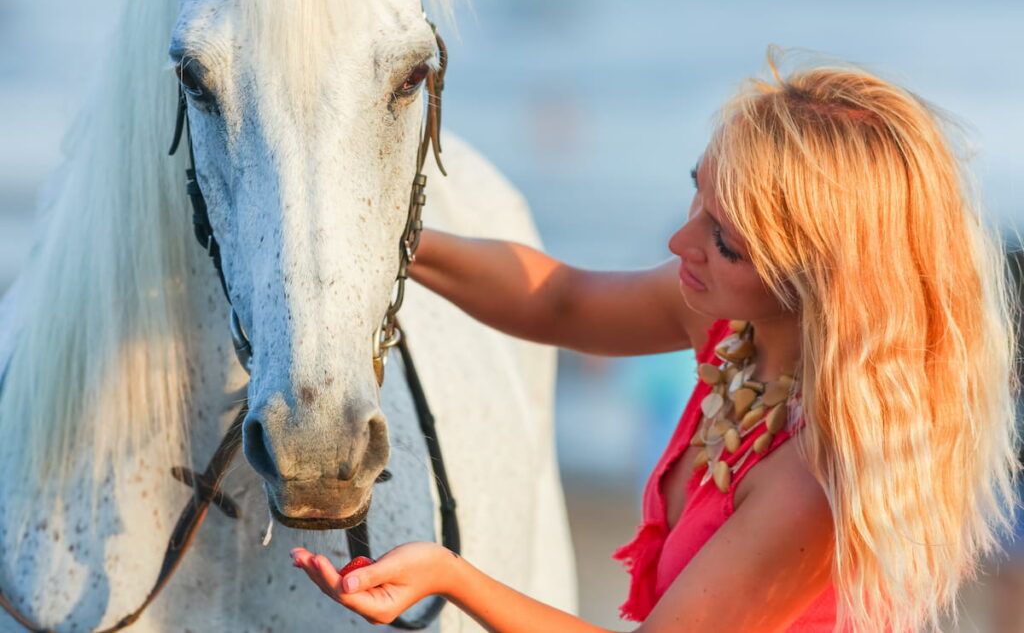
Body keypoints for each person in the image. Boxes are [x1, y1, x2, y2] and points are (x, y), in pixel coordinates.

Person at [290, 51, 1019, 632]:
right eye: (696, 192)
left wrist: (454, 575)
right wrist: (387, 239)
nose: (680, 241)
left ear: (822, 286)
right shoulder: (736, 325)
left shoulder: (810, 482)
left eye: (725, 241)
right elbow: (565, 301)